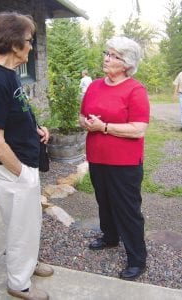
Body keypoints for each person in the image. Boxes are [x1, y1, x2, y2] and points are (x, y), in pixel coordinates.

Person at [0, 12, 53, 300]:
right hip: (11, 170)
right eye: (28, 40)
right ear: (13, 43)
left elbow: (14, 115)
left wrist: (36, 130)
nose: (31, 46)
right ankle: (19, 284)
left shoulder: (10, 75)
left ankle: (28, 264)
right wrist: (21, 173)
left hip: (21, 165)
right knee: (20, 228)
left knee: (29, 222)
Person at [79, 36, 149, 281]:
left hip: (125, 163)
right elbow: (82, 116)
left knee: (127, 209)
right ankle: (109, 237)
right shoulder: (94, 86)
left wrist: (104, 127)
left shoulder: (135, 90)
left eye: (113, 56)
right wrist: (87, 124)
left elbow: (139, 129)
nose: (106, 59)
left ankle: (137, 259)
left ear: (127, 63)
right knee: (104, 201)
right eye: (106, 54)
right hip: (97, 157)